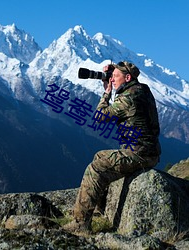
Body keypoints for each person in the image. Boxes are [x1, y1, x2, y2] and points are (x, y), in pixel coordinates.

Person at [63, 61, 161, 233]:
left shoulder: (128, 98)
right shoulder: (142, 90)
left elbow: (100, 116)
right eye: (112, 76)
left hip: (138, 154)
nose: (112, 79)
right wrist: (114, 72)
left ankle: (80, 224)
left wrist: (106, 93)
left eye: (116, 77)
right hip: (148, 151)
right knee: (100, 156)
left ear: (128, 78)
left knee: (96, 168)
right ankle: (100, 210)